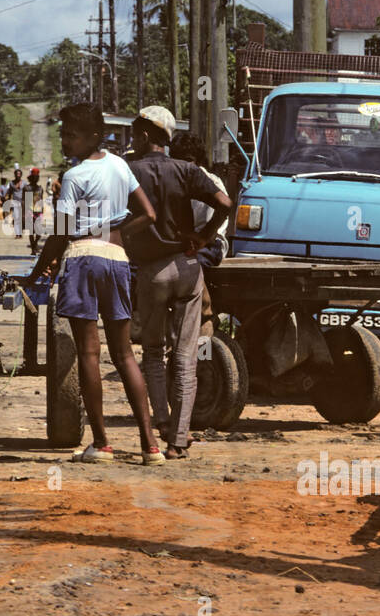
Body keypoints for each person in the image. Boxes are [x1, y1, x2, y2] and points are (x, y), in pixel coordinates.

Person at [24, 103, 162, 465]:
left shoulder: (74, 177)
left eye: (71, 135)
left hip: (83, 259)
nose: (65, 141)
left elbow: (62, 233)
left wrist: (36, 272)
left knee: (89, 353)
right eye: (63, 134)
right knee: (125, 354)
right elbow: (148, 215)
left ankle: (101, 444)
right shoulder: (120, 165)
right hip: (117, 260)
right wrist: (114, 233)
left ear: (93, 136)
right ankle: (151, 446)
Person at [127, 108, 232, 459]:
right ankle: (180, 440)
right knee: (186, 355)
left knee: (154, 352)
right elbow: (225, 203)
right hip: (187, 267)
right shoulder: (187, 170)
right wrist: (203, 236)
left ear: (145, 136)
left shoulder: (129, 171)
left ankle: (163, 426)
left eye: (134, 133)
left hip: (150, 271)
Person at [169, 132, 230, 269]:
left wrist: (201, 238)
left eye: (188, 160)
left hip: (209, 244)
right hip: (181, 243)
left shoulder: (212, 182)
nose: (184, 165)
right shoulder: (172, 181)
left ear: (198, 160)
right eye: (178, 160)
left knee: (193, 265)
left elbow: (221, 214)